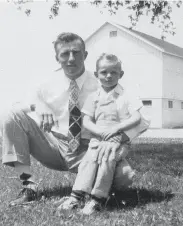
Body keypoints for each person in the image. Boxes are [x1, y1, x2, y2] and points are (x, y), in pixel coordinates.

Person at [1, 33, 135, 207]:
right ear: (57, 58)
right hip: (53, 146)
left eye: (76, 52)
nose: (71, 59)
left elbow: (137, 117)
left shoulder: (103, 82)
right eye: (65, 54)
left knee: (125, 177)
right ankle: (29, 186)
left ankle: (91, 186)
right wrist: (39, 106)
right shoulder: (47, 82)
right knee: (9, 115)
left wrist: (121, 137)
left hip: (89, 149)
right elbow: (19, 105)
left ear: (85, 55)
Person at [58, 53, 149, 214]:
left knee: (108, 159)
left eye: (113, 72)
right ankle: (76, 196)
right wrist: (100, 131)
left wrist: (117, 128)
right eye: (104, 72)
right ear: (96, 74)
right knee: (89, 161)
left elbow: (137, 117)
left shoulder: (127, 95)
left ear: (120, 74)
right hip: (97, 139)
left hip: (117, 141)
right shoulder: (94, 96)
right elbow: (86, 120)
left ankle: (97, 199)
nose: (108, 76)